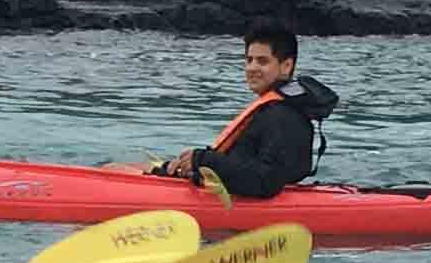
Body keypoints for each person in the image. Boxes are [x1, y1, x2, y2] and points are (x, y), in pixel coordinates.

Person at [127, 18, 337, 199]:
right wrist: (194, 164)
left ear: (286, 66)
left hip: (260, 202)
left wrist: (202, 160)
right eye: (249, 60)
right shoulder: (272, 109)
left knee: (123, 171)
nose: (252, 68)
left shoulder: (282, 116)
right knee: (128, 168)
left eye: (262, 61)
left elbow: (265, 182)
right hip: (230, 187)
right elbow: (243, 166)